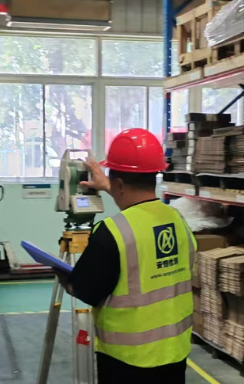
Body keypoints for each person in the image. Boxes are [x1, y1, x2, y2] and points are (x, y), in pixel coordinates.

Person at [58, 128, 197, 384]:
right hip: (174, 353)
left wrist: (62, 275)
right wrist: (109, 186)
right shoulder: (177, 219)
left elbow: (86, 290)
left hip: (127, 362)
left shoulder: (112, 232)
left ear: (119, 184)